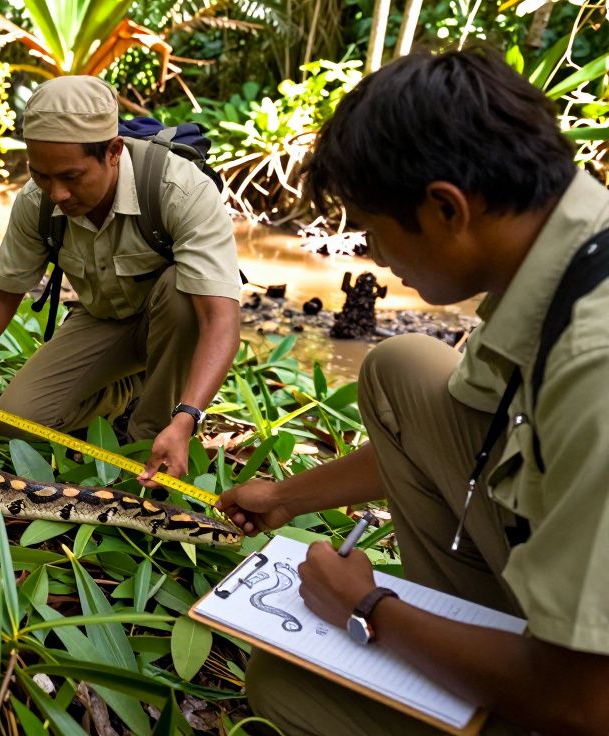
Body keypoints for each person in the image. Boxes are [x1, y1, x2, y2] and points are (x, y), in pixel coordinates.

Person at [218, 47, 609, 735]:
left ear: (445, 208)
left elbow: (586, 703)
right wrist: (282, 497)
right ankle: (473, 640)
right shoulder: (571, 251)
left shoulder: (594, 371)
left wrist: (368, 607)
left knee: (285, 685)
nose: (376, 258)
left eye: (374, 233)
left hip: (586, 695)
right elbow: (453, 426)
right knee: (404, 369)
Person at [0, 75, 241, 483]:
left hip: (174, 325)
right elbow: (2, 293)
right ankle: (125, 391)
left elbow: (220, 320)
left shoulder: (179, 190)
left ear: (113, 152)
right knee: (17, 423)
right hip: (103, 320)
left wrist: (188, 416)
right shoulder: (37, 201)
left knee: (180, 294)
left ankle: (151, 431)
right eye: (42, 175)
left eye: (71, 176)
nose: (57, 194)